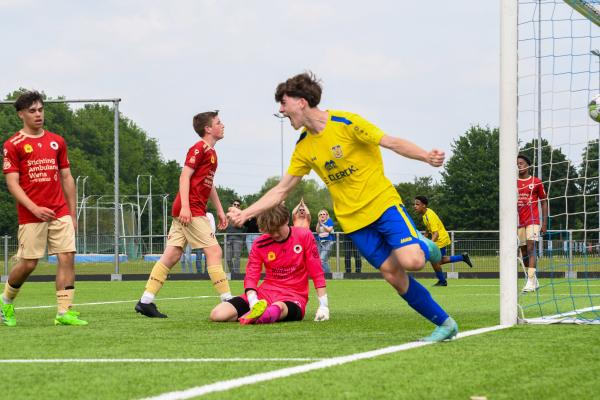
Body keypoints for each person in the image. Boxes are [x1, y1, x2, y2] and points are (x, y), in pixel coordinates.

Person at [228, 72, 456, 342]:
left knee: (413, 261)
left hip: (382, 205)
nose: (280, 109)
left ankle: (424, 245)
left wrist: (426, 157)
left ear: (301, 102)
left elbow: (390, 142)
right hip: (354, 223)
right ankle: (445, 324)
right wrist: (246, 213)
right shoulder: (303, 146)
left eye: (283, 103)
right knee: (394, 276)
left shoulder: (347, 123)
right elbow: (281, 190)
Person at [1, 90, 87, 326]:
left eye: (40, 109)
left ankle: (63, 312)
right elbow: (12, 183)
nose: (38, 114)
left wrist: (71, 212)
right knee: (29, 263)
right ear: (21, 115)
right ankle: (5, 301)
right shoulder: (13, 145)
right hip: (31, 214)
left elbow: (67, 178)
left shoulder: (56, 141)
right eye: (32, 111)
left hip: (59, 211)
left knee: (67, 256)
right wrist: (34, 208)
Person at [135, 110, 232, 318]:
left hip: (190, 209)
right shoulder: (199, 148)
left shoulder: (212, 153)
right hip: (191, 210)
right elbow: (184, 176)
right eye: (218, 122)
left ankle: (145, 301)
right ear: (208, 128)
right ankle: (229, 301)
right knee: (214, 252)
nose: (222, 125)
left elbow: (209, 184)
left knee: (172, 255)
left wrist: (220, 210)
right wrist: (186, 207)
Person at [211, 203, 329, 324]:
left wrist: (323, 305)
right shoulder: (259, 244)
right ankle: (260, 313)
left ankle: (262, 315)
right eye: (270, 231)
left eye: (277, 229)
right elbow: (252, 275)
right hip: (265, 294)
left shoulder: (304, 235)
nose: (275, 234)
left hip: (293, 296)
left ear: (286, 219)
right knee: (218, 314)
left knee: (278, 307)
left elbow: (316, 272)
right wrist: (253, 300)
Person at [413, 196, 473, 286]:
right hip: (439, 239)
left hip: (440, 240)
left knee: (436, 262)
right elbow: (428, 228)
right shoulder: (425, 215)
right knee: (437, 261)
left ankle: (443, 281)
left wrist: (429, 245)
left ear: (424, 205)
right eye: (414, 204)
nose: (415, 206)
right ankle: (462, 258)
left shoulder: (430, 215)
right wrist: (424, 237)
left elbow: (436, 234)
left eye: (417, 204)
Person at [517, 154, 548, 293]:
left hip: (533, 220)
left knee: (531, 248)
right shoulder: (512, 183)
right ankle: (533, 278)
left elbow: (544, 201)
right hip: (518, 222)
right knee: (523, 252)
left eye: (521, 162)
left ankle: (529, 281)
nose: (519, 165)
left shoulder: (536, 182)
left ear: (528, 165)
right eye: (517, 163)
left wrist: (544, 223)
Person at [225, 200, 244, 273]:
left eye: (238, 205)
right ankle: (232, 272)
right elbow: (224, 226)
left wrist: (234, 219)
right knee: (228, 258)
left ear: (239, 207)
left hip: (238, 238)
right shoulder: (227, 215)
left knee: (237, 257)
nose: (236, 206)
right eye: (235, 204)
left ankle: (236, 274)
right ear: (232, 205)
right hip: (228, 238)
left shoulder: (241, 214)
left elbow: (240, 225)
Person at [316, 209, 334, 273]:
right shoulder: (319, 222)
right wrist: (319, 223)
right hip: (320, 242)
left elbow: (329, 230)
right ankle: (325, 273)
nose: (322, 215)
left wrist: (322, 224)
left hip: (328, 242)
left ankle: (327, 274)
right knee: (320, 259)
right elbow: (317, 231)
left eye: (324, 214)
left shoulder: (329, 221)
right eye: (321, 214)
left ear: (327, 215)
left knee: (322, 259)